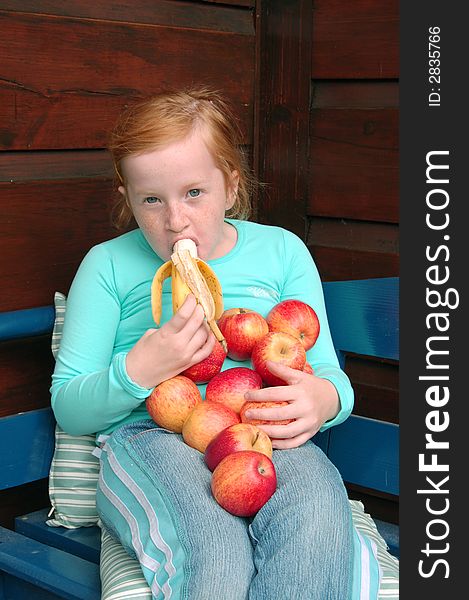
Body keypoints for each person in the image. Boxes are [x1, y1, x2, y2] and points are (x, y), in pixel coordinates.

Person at [51, 88, 380, 599]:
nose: (174, 220)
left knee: (317, 516)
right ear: (127, 197)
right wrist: (140, 368)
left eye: (194, 194)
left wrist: (324, 400)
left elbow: (325, 373)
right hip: (149, 441)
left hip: (264, 434)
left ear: (231, 186)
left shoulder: (281, 252)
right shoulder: (107, 265)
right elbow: (70, 407)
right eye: (152, 200)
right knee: (215, 548)